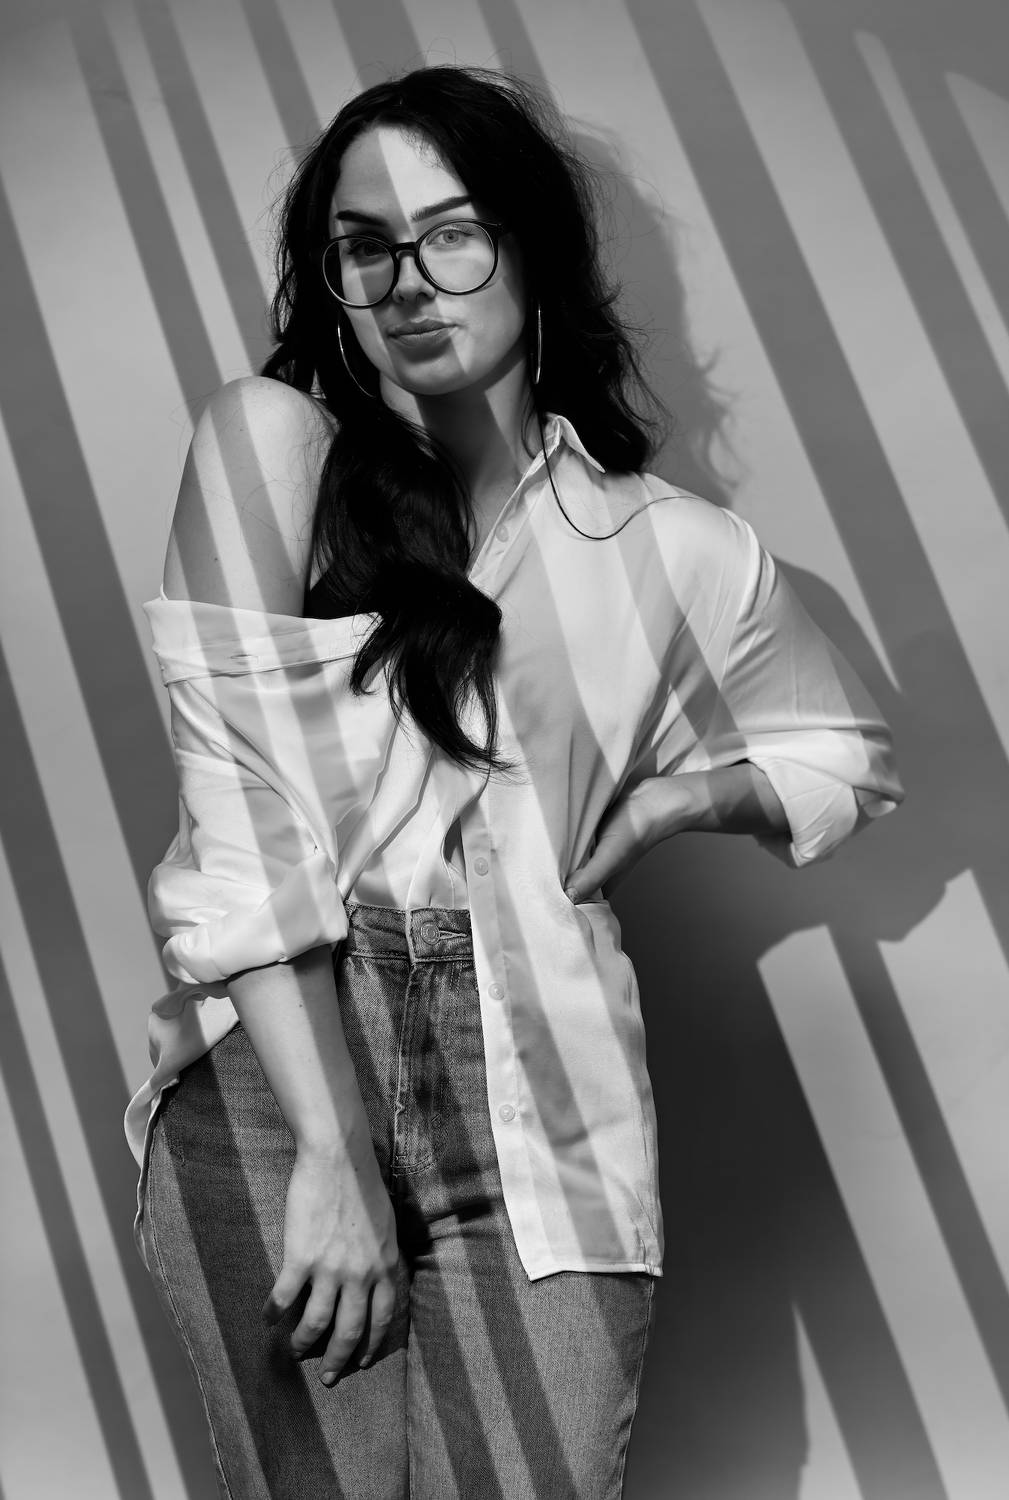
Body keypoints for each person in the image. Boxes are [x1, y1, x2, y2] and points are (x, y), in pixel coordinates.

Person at [125, 65, 903, 1500]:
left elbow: (845, 756)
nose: (411, 281)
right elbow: (241, 825)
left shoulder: (664, 546)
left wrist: (679, 800)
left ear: (534, 250)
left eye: (454, 234)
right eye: (365, 247)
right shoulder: (273, 450)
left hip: (547, 1085)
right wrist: (333, 1150)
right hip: (290, 1072)